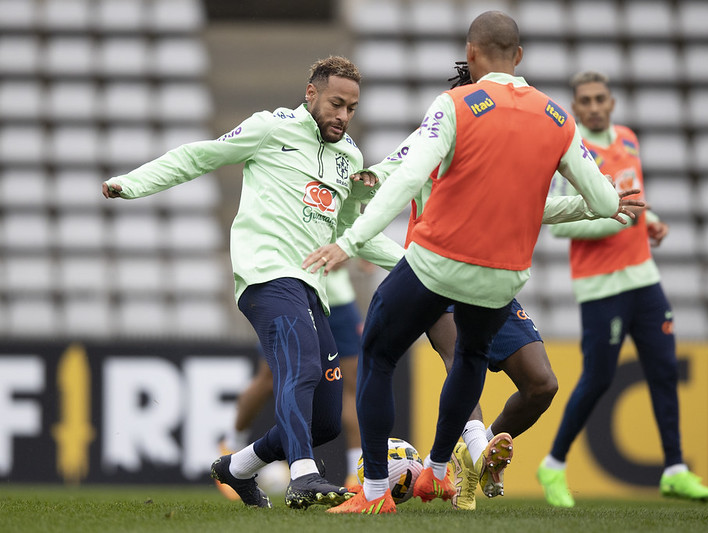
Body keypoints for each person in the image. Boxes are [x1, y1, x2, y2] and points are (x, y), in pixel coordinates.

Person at [303, 12, 624, 514]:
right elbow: (605, 203)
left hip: (439, 262)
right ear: (519, 57)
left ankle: (373, 494)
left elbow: (407, 177)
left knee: (379, 355)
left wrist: (351, 240)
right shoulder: (557, 117)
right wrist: (607, 202)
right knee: (469, 359)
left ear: (471, 54)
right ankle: (438, 471)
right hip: (502, 275)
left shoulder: (455, 105)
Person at [102, 56, 405, 510]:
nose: (342, 116)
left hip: (312, 288)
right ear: (311, 94)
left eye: (351, 109)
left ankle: (237, 467)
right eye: (336, 104)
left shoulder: (350, 158)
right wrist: (131, 183)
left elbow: (353, 235)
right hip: (266, 274)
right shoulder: (271, 128)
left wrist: (414, 266)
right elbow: (197, 156)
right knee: (298, 368)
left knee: (325, 419)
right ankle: (304, 476)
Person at [536, 71, 708, 507]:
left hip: (643, 276)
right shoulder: (570, 152)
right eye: (586, 100)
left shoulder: (629, 140)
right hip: (600, 286)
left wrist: (650, 223)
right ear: (576, 108)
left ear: (612, 103)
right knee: (598, 378)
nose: (595, 106)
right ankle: (553, 465)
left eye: (601, 98)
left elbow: (634, 198)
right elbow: (559, 229)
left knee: (664, 369)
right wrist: (620, 219)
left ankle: (674, 468)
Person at [214, 266, 367, 501]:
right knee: (268, 379)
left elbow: (361, 240)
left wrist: (352, 251)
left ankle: (355, 474)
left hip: (336, 299)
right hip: (292, 295)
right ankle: (232, 444)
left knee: (350, 385)